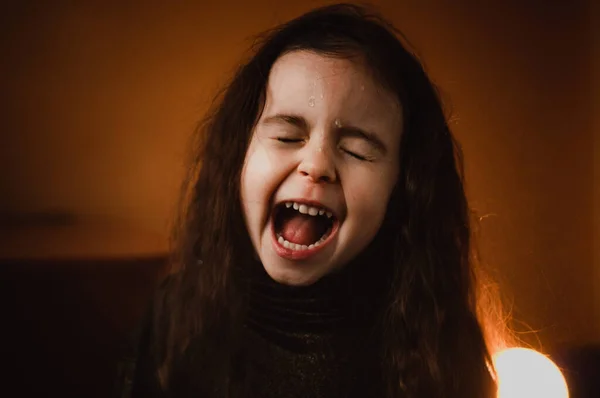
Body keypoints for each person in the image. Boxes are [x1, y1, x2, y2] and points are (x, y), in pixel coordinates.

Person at [128, 3, 506, 397]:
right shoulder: (177, 318)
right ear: (239, 157)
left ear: (403, 190)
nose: (317, 164)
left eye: (358, 151)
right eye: (287, 136)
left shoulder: (436, 346)